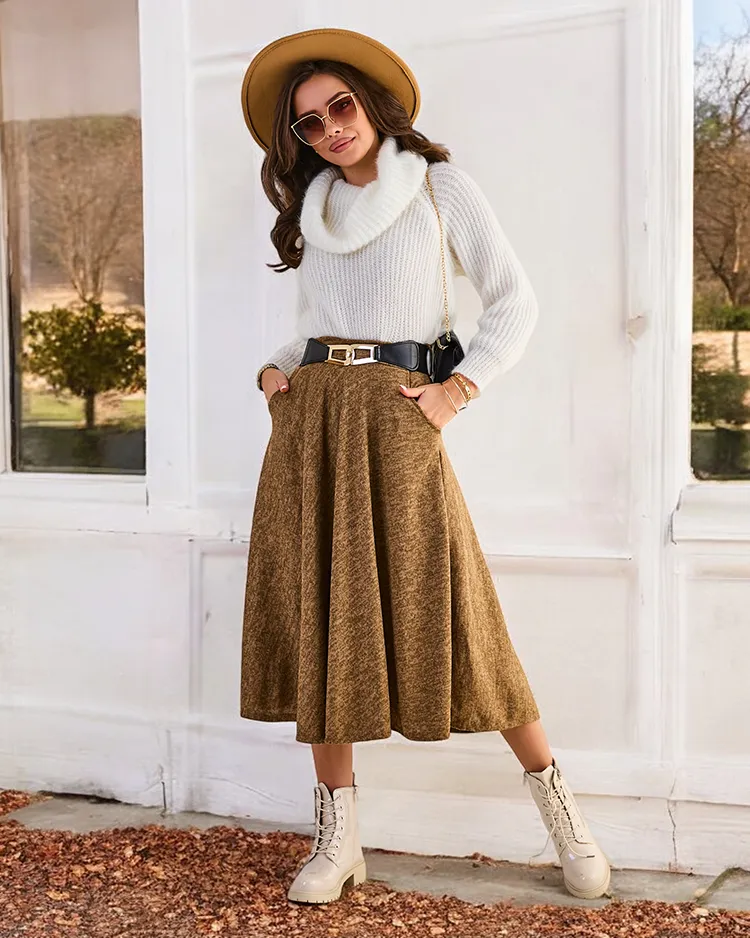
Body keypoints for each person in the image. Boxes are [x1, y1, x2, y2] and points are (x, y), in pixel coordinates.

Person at [239, 27, 610, 906]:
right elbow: (321, 325)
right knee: (326, 617)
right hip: (311, 421)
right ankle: (339, 840)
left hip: (402, 418)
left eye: (339, 106)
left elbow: (514, 301)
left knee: (461, 611)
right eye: (309, 122)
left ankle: (565, 818)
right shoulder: (317, 211)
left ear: (371, 103)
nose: (330, 128)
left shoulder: (441, 187)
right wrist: (274, 371)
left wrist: (460, 389)